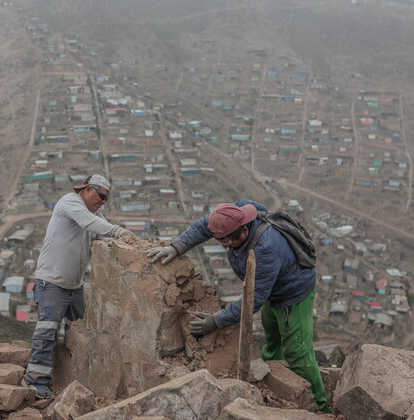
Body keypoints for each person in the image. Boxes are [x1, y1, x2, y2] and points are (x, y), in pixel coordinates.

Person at [146, 199, 329, 413]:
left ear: (243, 233)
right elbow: (204, 226)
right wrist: (176, 247)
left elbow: (253, 300)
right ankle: (280, 384)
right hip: (275, 292)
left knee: (298, 353)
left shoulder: (266, 248)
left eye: (226, 243)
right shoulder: (234, 215)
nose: (223, 246)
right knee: (273, 340)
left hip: (293, 294)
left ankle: (320, 406)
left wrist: (216, 321)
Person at [22, 174, 135, 399]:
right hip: (52, 283)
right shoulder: (70, 203)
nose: (102, 202)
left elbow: (102, 237)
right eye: (100, 196)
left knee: (79, 331)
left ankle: (74, 375)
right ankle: (35, 381)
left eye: (106, 200)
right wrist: (117, 230)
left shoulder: (94, 216)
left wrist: (126, 241)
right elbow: (90, 223)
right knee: (47, 331)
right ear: (86, 190)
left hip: (74, 286)